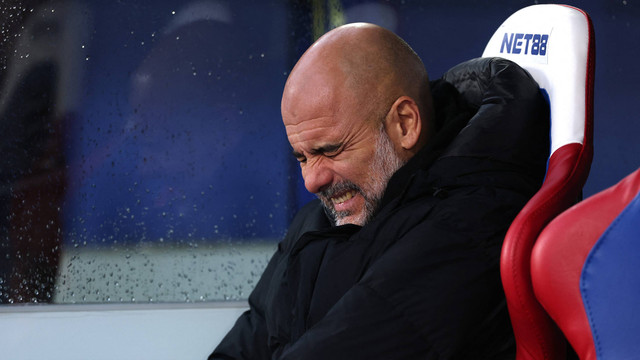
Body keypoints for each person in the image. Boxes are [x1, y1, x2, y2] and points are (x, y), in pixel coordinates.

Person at [210, 23, 549, 359]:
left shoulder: (465, 227)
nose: (312, 181)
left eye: (330, 150)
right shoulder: (321, 219)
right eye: (302, 156)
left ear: (405, 124)